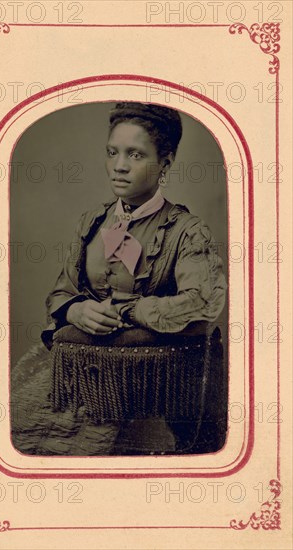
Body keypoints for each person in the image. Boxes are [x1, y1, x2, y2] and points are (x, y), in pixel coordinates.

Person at [40, 102, 228, 456]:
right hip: (91, 387)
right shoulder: (93, 222)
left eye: (136, 155)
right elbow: (61, 291)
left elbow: (204, 302)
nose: (119, 166)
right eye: (112, 152)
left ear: (165, 164)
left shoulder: (188, 232)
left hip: (158, 393)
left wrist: (129, 311)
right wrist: (76, 311)